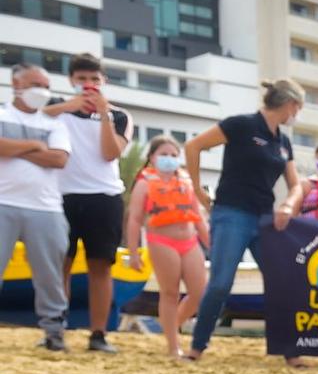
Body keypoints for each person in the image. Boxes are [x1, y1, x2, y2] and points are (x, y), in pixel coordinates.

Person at [183, 79, 307, 362]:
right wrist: (197, 188)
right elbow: (193, 146)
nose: (296, 114)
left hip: (264, 218)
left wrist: (287, 205)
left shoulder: (283, 141)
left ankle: (289, 350)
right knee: (221, 283)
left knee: (281, 280)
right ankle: (196, 348)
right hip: (232, 213)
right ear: (290, 104)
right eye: (298, 108)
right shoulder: (241, 124)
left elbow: (295, 185)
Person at [43, 54, 132, 352]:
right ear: (72, 80)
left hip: (104, 198)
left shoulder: (120, 115)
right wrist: (68, 106)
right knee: (60, 266)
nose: (89, 85)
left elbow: (110, 153)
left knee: (100, 267)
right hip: (60, 196)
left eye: (95, 79)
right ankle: (55, 331)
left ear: (104, 81)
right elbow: (29, 118)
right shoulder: (57, 108)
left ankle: (98, 335)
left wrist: (104, 114)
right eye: (82, 79)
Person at [1, 64, 75, 351]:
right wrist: (34, 145)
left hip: (46, 208)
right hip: (3, 202)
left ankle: (54, 332)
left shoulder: (55, 123)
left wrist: (14, 147)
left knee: (50, 274)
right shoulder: (3, 114)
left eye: (45, 85)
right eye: (35, 84)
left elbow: (59, 159)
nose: (41, 91)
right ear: (16, 84)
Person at [121, 136, 206, 358]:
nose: (169, 159)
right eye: (164, 154)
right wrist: (133, 253)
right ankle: (172, 345)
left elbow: (198, 218)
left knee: (199, 292)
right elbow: (135, 219)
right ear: (152, 158)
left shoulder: (186, 181)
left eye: (174, 155)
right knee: (170, 293)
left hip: (189, 241)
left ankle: (171, 325)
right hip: (162, 241)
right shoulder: (144, 182)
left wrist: (210, 243)